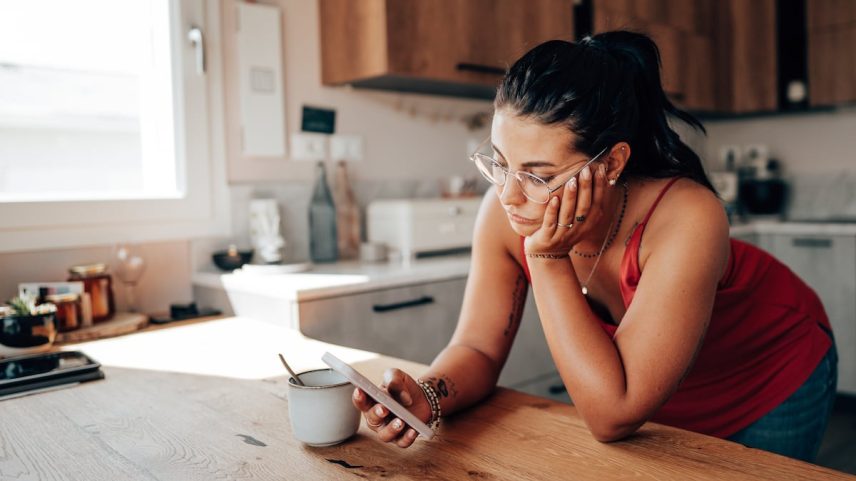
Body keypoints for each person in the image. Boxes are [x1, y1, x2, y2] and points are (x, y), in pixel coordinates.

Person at [352, 31, 837, 462]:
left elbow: (612, 414)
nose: (508, 195)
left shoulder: (688, 215)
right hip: (655, 390)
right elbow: (477, 347)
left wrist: (545, 258)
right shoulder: (504, 208)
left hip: (767, 370)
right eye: (499, 164)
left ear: (610, 164)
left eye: (538, 176)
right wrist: (428, 394)